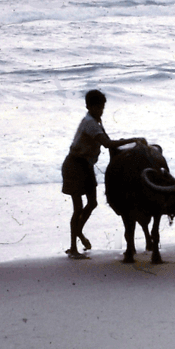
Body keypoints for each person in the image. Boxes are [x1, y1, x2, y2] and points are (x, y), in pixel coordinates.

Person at [62, 89, 142, 259]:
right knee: (78, 209)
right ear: (88, 106)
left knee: (92, 203)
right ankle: (73, 247)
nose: (101, 110)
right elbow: (107, 144)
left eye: (102, 107)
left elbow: (109, 143)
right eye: (98, 107)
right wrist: (133, 140)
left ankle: (78, 234)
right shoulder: (90, 123)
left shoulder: (97, 121)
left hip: (86, 165)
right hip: (74, 165)